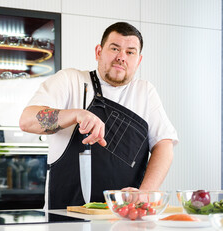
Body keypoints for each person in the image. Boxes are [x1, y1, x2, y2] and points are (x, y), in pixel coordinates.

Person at [19, 22, 178, 209]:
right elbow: (27, 120)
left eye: (130, 52)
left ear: (138, 60)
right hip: (66, 217)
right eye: (115, 48)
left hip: (126, 217)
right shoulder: (70, 80)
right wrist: (77, 114)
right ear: (98, 52)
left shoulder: (145, 92)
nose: (121, 57)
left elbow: (164, 145)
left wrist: (145, 193)